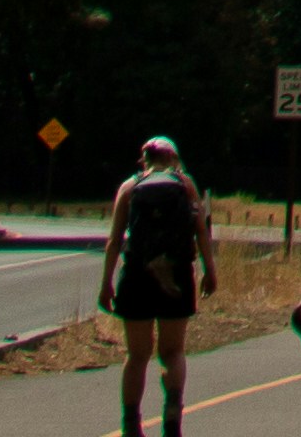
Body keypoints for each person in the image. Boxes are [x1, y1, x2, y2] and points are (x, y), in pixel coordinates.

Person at [101, 136, 217, 437]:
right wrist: (209, 270)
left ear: (144, 158)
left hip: (137, 277)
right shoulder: (186, 185)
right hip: (176, 275)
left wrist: (106, 285)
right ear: (174, 158)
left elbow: (114, 241)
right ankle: (172, 415)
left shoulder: (129, 187)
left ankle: (131, 425)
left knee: (137, 355)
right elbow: (200, 230)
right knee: (173, 351)